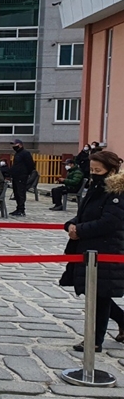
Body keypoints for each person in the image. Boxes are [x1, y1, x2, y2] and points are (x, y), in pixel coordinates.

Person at [63, 150, 124, 351]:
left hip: (106, 248)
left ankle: (94, 341)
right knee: (96, 293)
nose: (94, 173)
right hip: (89, 247)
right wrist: (72, 224)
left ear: (111, 170)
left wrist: (79, 231)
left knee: (100, 294)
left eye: (98, 170)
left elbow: (110, 221)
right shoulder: (95, 187)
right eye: (92, 169)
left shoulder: (116, 191)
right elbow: (84, 213)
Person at [10, 139, 35, 217]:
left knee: (21, 193)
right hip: (16, 176)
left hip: (22, 176)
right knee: (16, 193)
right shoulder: (17, 154)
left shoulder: (25, 153)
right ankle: (18, 208)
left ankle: (21, 209)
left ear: (20, 145)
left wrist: (26, 173)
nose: (13, 146)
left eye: (15, 145)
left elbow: (30, 165)